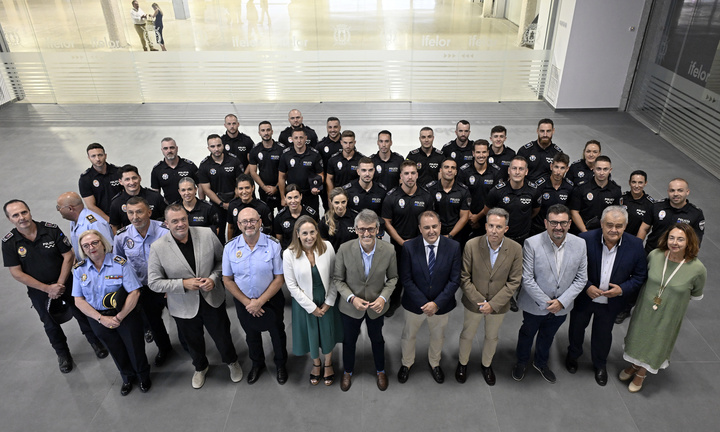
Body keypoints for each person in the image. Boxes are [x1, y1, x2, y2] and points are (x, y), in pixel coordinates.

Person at [2, 200, 108, 373]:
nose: (21, 217)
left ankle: (96, 342)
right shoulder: (9, 242)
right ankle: (63, 354)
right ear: (9, 219)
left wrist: (59, 283)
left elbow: (68, 256)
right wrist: (47, 289)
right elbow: (16, 272)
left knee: (82, 313)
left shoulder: (50, 230)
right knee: (50, 324)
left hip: (66, 282)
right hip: (39, 291)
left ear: (29, 211)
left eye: (24, 212)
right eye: (15, 215)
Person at [148, 205, 242, 389]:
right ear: (166, 224)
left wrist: (213, 278)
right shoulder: (158, 248)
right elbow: (154, 282)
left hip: (211, 298)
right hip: (182, 305)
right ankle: (200, 367)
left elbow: (222, 261)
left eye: (183, 219)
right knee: (193, 341)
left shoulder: (206, 234)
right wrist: (182, 284)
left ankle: (232, 361)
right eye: (175, 221)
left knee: (222, 335)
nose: (180, 224)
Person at [566, 206, 648, 386]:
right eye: (609, 225)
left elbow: (640, 276)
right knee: (576, 329)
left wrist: (622, 289)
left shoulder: (635, 245)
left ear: (625, 226)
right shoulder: (585, 239)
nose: (614, 230)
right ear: (602, 224)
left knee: (603, 335)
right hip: (584, 298)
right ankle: (573, 355)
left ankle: (599, 364)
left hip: (612, 302)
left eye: (619, 226)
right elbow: (571, 267)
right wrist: (587, 286)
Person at [621, 223, 705, 392]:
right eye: (671, 238)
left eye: (680, 239)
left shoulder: (698, 269)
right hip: (645, 308)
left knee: (657, 341)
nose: (674, 242)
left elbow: (696, 294)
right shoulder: (655, 255)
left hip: (669, 313)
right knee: (639, 336)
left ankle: (642, 373)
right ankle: (635, 364)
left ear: (689, 242)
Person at [513, 204, 588, 384]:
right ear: (546, 223)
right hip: (535, 304)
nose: (558, 227)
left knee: (548, 336)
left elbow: (581, 278)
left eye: (563, 223)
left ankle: (541, 362)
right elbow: (527, 278)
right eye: (554, 222)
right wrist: (547, 303)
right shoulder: (532, 243)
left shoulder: (580, 244)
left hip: (562, 307)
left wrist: (561, 302)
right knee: (527, 334)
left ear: (570, 223)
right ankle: (521, 362)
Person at [72, 230, 150, 395]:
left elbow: (134, 292)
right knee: (115, 349)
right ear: (82, 249)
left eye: (95, 242)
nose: (91, 248)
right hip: (98, 317)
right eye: (86, 245)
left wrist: (119, 317)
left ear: (103, 243)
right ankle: (127, 377)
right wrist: (102, 319)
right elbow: (78, 300)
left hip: (125, 314)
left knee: (135, 347)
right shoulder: (79, 270)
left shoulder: (120, 264)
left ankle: (143, 376)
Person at [334, 209, 398, 391]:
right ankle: (347, 371)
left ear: (377, 229)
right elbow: (338, 279)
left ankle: (380, 370)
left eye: (371, 229)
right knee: (349, 341)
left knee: (377, 339)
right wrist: (351, 298)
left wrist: (383, 298)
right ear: (356, 230)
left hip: (376, 307)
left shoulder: (389, 250)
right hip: (350, 307)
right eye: (362, 229)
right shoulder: (344, 249)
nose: (366, 234)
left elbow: (393, 278)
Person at [457, 208, 522, 385]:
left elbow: (514, 281)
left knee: (492, 337)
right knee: (467, 335)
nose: (494, 230)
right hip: (473, 303)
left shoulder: (515, 249)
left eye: (499, 227)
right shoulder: (471, 245)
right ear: (485, 226)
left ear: (506, 229)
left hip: (498, 305)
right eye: (491, 226)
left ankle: (486, 365)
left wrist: (493, 304)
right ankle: (462, 363)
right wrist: (481, 302)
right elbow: (464, 277)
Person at [223, 208, 287, 385]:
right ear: (238, 225)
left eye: (252, 220)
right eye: (244, 221)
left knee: (277, 334)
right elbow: (227, 280)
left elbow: (279, 278)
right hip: (244, 303)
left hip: (271, 300)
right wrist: (248, 303)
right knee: (251, 335)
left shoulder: (273, 245)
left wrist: (260, 302)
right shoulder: (230, 248)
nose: (249, 224)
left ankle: (281, 364)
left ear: (260, 222)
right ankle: (257, 364)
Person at [397, 211, 461, 384]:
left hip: (441, 305)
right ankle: (407, 363)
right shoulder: (409, 247)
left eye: (434, 226)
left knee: (438, 336)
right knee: (408, 335)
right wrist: (424, 303)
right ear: (420, 228)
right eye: (426, 227)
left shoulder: (453, 247)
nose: (431, 231)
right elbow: (406, 279)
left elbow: (455, 280)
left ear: (440, 226)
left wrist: (437, 304)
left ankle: (435, 363)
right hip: (414, 304)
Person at [113, 197, 173, 366]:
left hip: (167, 284)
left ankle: (188, 346)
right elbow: (120, 263)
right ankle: (164, 348)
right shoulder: (122, 237)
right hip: (143, 288)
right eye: (130, 213)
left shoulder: (164, 231)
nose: (135, 217)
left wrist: (171, 284)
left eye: (139, 212)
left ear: (149, 212)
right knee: (153, 322)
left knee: (181, 317)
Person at [284, 216, 343, 387]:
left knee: (327, 332)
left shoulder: (327, 247)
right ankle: (316, 363)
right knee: (311, 334)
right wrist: (311, 308)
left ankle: (328, 363)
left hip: (326, 299)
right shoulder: (288, 254)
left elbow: (334, 276)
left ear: (317, 232)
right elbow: (291, 286)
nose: (309, 237)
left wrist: (329, 301)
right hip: (304, 303)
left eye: (312, 232)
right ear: (297, 234)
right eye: (304, 233)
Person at [382, 160, 434, 316]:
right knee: (396, 275)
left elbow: (429, 221)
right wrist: (402, 242)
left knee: (419, 275)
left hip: (420, 245)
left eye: (413, 173)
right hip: (398, 245)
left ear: (417, 175)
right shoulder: (391, 196)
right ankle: (395, 301)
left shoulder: (426, 196)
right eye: (406, 173)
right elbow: (386, 222)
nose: (410, 177)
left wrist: (419, 241)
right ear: (401, 176)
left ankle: (418, 301)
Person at [481, 156, 541, 245]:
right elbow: (487, 212)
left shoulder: (534, 191)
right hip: (501, 238)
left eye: (521, 169)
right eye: (514, 168)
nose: (517, 172)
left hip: (523, 238)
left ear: (526, 171)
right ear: (509, 170)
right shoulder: (496, 191)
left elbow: (535, 210)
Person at [637, 178, 705, 254]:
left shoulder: (696, 214)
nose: (675, 194)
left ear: (687, 192)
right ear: (668, 191)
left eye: (680, 190)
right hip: (652, 252)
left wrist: (687, 258)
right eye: (672, 190)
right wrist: (636, 248)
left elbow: (696, 241)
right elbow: (644, 229)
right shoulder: (656, 206)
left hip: (677, 256)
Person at [198, 134, 244, 243]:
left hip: (235, 201)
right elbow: (206, 189)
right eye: (213, 146)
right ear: (208, 148)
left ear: (223, 145)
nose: (216, 149)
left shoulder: (234, 160)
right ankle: (221, 252)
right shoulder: (204, 165)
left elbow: (240, 183)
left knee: (239, 228)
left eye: (219, 145)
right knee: (218, 232)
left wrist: (233, 201)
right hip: (216, 204)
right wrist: (222, 204)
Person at [459, 139, 502, 237]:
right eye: (478, 152)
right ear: (473, 153)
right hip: (465, 219)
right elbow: (459, 195)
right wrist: (470, 217)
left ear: (488, 153)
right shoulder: (464, 171)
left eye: (484, 152)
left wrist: (477, 217)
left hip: (489, 220)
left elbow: (496, 199)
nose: (481, 155)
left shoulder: (496, 172)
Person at [425, 158, 471, 246]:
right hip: (434, 233)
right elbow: (426, 215)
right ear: (441, 170)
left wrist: (450, 235)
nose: (450, 170)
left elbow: (464, 217)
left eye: (453, 168)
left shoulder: (463, 191)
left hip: (456, 234)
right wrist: (435, 233)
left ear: (456, 172)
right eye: (446, 167)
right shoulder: (430, 189)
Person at [569, 155, 621, 233]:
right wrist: (585, 232)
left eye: (605, 169)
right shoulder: (581, 188)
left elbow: (616, 214)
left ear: (610, 170)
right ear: (593, 168)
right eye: (598, 169)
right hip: (582, 231)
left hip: (605, 232)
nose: (601, 173)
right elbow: (574, 212)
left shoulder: (616, 190)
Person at [278, 128, 324, 214]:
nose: (299, 140)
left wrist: (316, 187)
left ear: (306, 138)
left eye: (301, 137)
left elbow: (320, 174)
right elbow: (281, 177)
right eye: (296, 138)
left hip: (310, 195)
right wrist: (283, 197)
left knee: (312, 219)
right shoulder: (285, 154)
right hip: (292, 196)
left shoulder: (314, 154)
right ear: (291, 139)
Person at [56, 191, 114, 261]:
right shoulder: (73, 221)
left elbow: (109, 249)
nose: (58, 210)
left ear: (70, 208)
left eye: (59, 207)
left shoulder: (94, 224)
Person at [108, 164, 166, 233]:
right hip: (130, 238)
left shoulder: (155, 197)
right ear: (120, 182)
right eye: (127, 179)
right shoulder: (116, 203)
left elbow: (167, 217)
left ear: (140, 178)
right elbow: (115, 227)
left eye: (134, 178)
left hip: (157, 235)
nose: (132, 182)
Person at [531, 152, 573, 235]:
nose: (558, 172)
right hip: (538, 228)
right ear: (551, 166)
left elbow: (570, 210)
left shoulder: (569, 187)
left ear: (567, 169)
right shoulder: (540, 185)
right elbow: (533, 208)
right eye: (556, 167)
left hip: (559, 229)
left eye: (562, 168)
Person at [78, 143, 122, 222]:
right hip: (102, 219)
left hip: (122, 214)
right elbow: (91, 206)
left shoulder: (119, 172)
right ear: (89, 158)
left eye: (100, 155)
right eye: (93, 156)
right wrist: (110, 221)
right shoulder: (85, 179)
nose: (97, 159)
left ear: (105, 155)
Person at [247, 121, 285, 211]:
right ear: (259, 133)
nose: (266, 133)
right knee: (266, 216)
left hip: (281, 188)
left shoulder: (282, 149)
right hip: (264, 190)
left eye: (268, 130)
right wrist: (264, 187)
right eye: (263, 130)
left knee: (283, 215)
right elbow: (253, 172)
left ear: (272, 131)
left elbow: (285, 171)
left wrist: (276, 187)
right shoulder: (255, 150)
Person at [150, 137, 200, 205]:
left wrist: (201, 202)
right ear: (162, 150)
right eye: (165, 148)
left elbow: (201, 186)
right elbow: (155, 193)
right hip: (170, 207)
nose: (169, 151)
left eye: (172, 148)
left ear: (177, 148)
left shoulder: (189, 166)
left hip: (191, 206)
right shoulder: (157, 170)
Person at [226, 174, 273, 240]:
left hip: (257, 242)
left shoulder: (263, 207)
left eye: (247, 188)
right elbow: (230, 228)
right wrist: (229, 244)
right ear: (236, 190)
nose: (244, 192)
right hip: (238, 243)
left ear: (253, 188)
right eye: (241, 188)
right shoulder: (232, 205)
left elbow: (268, 229)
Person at [273, 184, 318, 250]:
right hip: (289, 251)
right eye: (290, 198)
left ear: (301, 196)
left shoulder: (311, 215)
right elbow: (279, 240)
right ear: (285, 198)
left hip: (309, 249)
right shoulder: (280, 217)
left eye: (296, 197)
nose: (293, 201)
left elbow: (317, 235)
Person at [316, 117, 343, 211]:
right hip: (326, 186)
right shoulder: (320, 145)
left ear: (340, 127)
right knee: (329, 210)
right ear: (327, 128)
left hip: (343, 183)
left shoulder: (346, 143)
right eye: (330, 127)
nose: (332, 130)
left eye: (335, 127)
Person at [319, 188, 358, 252]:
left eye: (343, 202)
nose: (340, 206)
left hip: (353, 255)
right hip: (334, 256)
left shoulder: (356, 218)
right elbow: (323, 245)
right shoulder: (325, 221)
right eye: (337, 203)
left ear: (347, 200)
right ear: (331, 201)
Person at [326, 130, 363, 195]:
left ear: (354, 142)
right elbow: (329, 179)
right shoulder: (333, 160)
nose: (348, 146)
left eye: (350, 143)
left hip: (356, 196)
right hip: (339, 196)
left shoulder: (361, 160)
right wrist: (331, 197)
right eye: (345, 143)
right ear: (341, 142)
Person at [620, 170, 654, 237]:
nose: (636, 186)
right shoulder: (621, 198)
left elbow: (646, 229)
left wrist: (637, 242)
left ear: (645, 183)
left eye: (640, 182)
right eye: (634, 182)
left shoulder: (650, 204)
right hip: (616, 236)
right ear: (629, 182)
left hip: (633, 239)